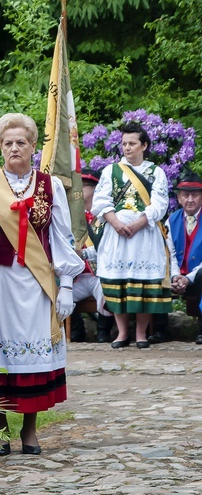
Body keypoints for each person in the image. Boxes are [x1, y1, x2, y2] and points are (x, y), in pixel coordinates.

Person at [0, 113, 84, 456]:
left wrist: (66, 283)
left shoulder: (49, 185)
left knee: (33, 357)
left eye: (21, 142)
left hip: (37, 283)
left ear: (34, 146)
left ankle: (31, 431)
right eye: (7, 143)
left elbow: (62, 236)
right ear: (0, 147)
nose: (14, 148)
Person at [91, 123, 171, 349]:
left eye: (132, 143)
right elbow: (100, 201)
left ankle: (141, 333)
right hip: (116, 236)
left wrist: (138, 223)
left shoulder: (156, 172)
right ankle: (122, 333)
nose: (127, 148)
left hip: (144, 234)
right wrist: (115, 223)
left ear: (144, 145)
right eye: (124, 143)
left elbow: (160, 203)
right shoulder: (110, 171)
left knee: (143, 283)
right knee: (118, 281)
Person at [153, 173, 202, 344]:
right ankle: (160, 330)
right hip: (178, 275)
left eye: (194, 195)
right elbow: (169, 254)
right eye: (185, 195)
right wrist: (174, 276)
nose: (190, 199)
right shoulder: (170, 221)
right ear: (179, 198)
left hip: (198, 275)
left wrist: (188, 278)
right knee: (156, 272)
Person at [71, 168, 115, 343]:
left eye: (84, 186)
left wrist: (84, 254)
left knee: (106, 291)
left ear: (95, 189)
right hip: (78, 276)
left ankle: (103, 330)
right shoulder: (73, 218)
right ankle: (76, 329)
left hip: (100, 273)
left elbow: (108, 248)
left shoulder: (104, 217)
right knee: (59, 293)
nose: (79, 190)